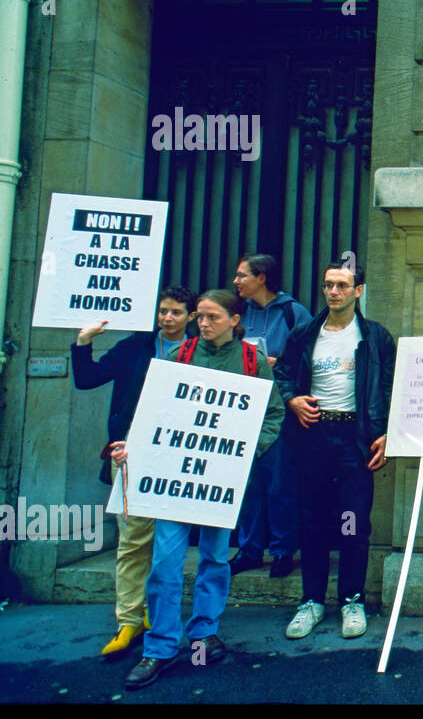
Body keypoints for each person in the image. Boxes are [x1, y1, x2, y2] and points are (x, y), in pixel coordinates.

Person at [121, 289, 285, 690]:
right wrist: (135, 446)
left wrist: (245, 454)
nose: (204, 324)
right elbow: (155, 410)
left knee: (214, 557)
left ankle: (202, 635)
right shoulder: (178, 356)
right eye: (200, 317)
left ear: (234, 319)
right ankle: (158, 648)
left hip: (220, 480)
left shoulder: (252, 361)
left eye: (212, 317)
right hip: (177, 480)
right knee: (165, 563)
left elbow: (273, 413)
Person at [71, 285, 197, 658]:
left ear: (190, 316)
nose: (167, 318)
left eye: (176, 312)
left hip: (182, 455)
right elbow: (87, 379)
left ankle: (161, 619)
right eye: (163, 311)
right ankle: (129, 620)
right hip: (131, 454)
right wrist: (83, 341)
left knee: (171, 543)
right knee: (132, 541)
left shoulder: (201, 351)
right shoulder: (133, 347)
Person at [276, 259, 395, 641]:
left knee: (352, 523)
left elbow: (394, 388)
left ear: (358, 291)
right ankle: (311, 601)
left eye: (342, 285)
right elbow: (280, 373)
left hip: (353, 439)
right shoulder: (305, 333)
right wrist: (292, 399)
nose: (334, 292)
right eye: (329, 285)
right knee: (311, 522)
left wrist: (389, 433)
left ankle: (351, 601)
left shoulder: (375, 337)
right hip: (312, 435)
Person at [229, 253, 313, 579]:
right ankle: (249, 548)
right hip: (242, 407)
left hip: (278, 410)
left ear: (261, 277)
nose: (236, 282)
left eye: (242, 276)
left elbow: (309, 358)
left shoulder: (293, 312)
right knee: (247, 482)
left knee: (280, 482)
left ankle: (281, 550)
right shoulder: (238, 314)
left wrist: (280, 364)